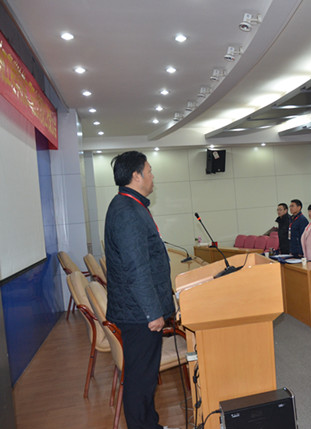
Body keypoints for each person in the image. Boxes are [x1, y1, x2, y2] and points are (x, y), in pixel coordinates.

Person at [104, 151, 176, 429]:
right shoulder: (127, 211)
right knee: (140, 379)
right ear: (136, 175)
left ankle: (150, 424)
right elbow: (137, 268)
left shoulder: (130, 205)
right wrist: (152, 311)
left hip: (137, 309)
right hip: (138, 313)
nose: (152, 175)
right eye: (149, 170)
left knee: (145, 377)